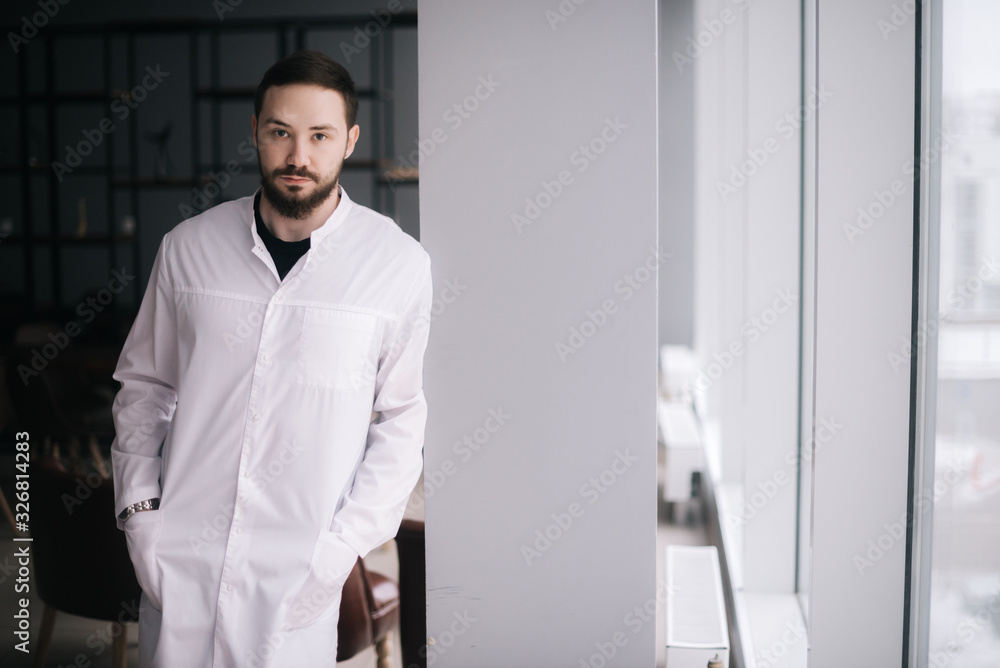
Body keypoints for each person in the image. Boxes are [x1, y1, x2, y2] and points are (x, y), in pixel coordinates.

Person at [110, 50, 432, 667]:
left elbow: (400, 423)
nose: (298, 156)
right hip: (180, 560)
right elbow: (144, 387)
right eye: (281, 132)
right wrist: (139, 514)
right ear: (256, 130)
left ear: (349, 140)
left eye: (319, 135)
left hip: (300, 572)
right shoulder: (188, 248)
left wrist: (340, 549)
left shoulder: (397, 266)